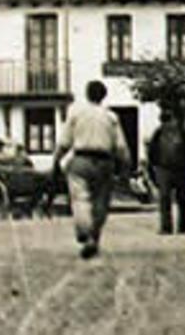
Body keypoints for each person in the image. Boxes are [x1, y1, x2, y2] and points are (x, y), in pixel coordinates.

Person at [54, 80, 130, 259]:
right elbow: (120, 146)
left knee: (80, 198)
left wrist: (56, 160)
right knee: (101, 202)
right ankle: (93, 238)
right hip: (104, 162)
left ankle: (85, 231)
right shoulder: (111, 117)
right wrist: (126, 165)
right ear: (104, 96)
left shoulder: (76, 113)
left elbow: (64, 142)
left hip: (81, 159)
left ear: (87, 94)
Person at [144, 107, 185, 237]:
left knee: (170, 199)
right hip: (174, 169)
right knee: (176, 198)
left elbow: (151, 152)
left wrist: (152, 167)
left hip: (170, 169)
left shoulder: (163, 132)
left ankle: (171, 227)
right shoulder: (177, 132)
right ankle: (178, 226)